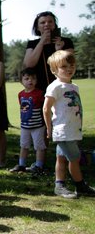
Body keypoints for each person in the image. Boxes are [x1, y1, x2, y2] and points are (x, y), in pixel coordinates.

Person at [43, 50, 95, 199]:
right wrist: (49, 128)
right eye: (64, 66)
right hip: (63, 130)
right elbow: (46, 108)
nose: (69, 69)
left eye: (71, 65)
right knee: (74, 158)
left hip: (72, 130)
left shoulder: (74, 86)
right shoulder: (55, 87)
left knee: (61, 158)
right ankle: (80, 186)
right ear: (54, 70)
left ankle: (59, 185)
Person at [23, 11, 74, 93]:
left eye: (50, 21)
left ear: (54, 24)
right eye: (43, 22)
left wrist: (59, 50)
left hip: (62, 87)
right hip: (39, 90)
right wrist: (42, 41)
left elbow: (70, 64)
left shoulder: (66, 41)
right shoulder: (32, 44)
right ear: (37, 27)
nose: (47, 24)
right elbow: (29, 64)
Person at [10, 68, 46, 175]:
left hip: (38, 126)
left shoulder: (40, 93)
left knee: (39, 146)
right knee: (24, 145)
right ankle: (22, 165)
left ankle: (39, 166)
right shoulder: (21, 94)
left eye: (33, 78)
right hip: (25, 126)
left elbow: (44, 107)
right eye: (26, 79)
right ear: (21, 81)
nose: (30, 81)